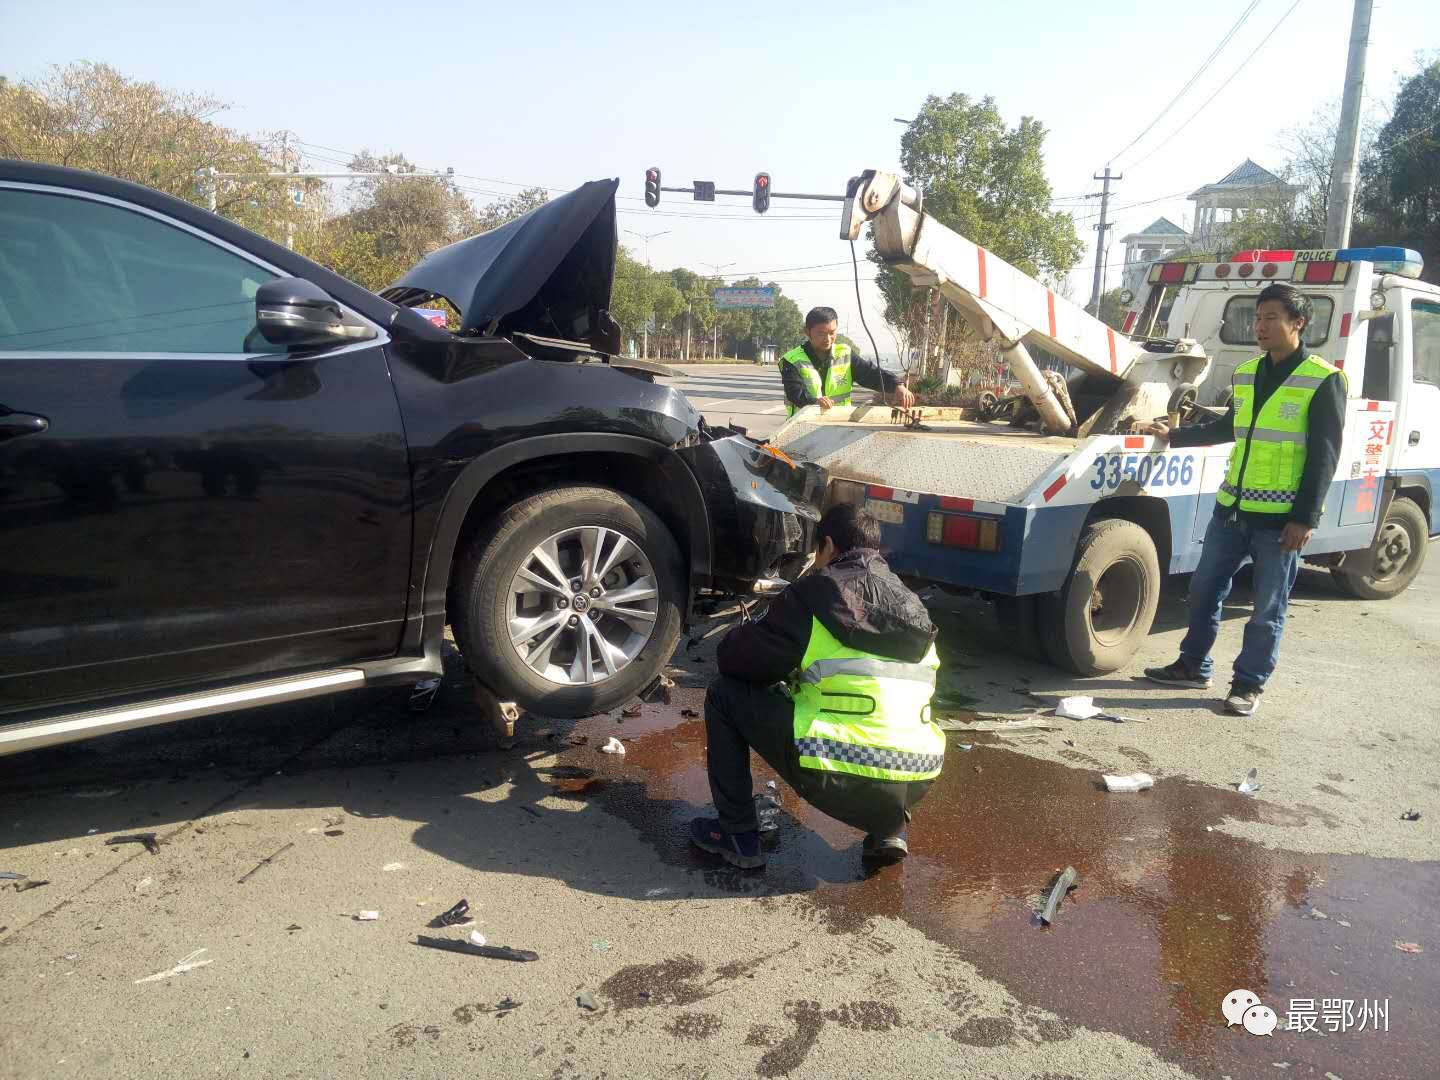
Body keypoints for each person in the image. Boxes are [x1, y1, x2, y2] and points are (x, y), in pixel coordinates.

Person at [689, 504, 945, 869]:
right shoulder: (914, 605)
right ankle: (889, 830)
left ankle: (737, 835)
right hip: (916, 777)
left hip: (839, 772)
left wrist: (748, 635)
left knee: (724, 695)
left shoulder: (815, 595)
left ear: (827, 545)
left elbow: (735, 661)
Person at [1140, 283, 1346, 716]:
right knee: (1201, 592)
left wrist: (1304, 518)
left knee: (1267, 609)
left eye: (1271, 318)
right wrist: (1174, 436)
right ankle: (1193, 665)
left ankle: (1248, 685)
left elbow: (1325, 456)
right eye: (1257, 318)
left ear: (1298, 323)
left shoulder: (1323, 379)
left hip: (1280, 522)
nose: (1261, 326)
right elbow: (1228, 429)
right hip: (1232, 511)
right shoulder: (1248, 372)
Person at [780, 306, 915, 416]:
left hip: (839, 424)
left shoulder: (845, 353)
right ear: (807, 332)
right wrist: (815, 402)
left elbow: (870, 374)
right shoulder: (791, 360)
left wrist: (897, 385)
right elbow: (795, 392)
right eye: (821, 333)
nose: (827, 338)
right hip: (801, 425)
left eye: (832, 333)